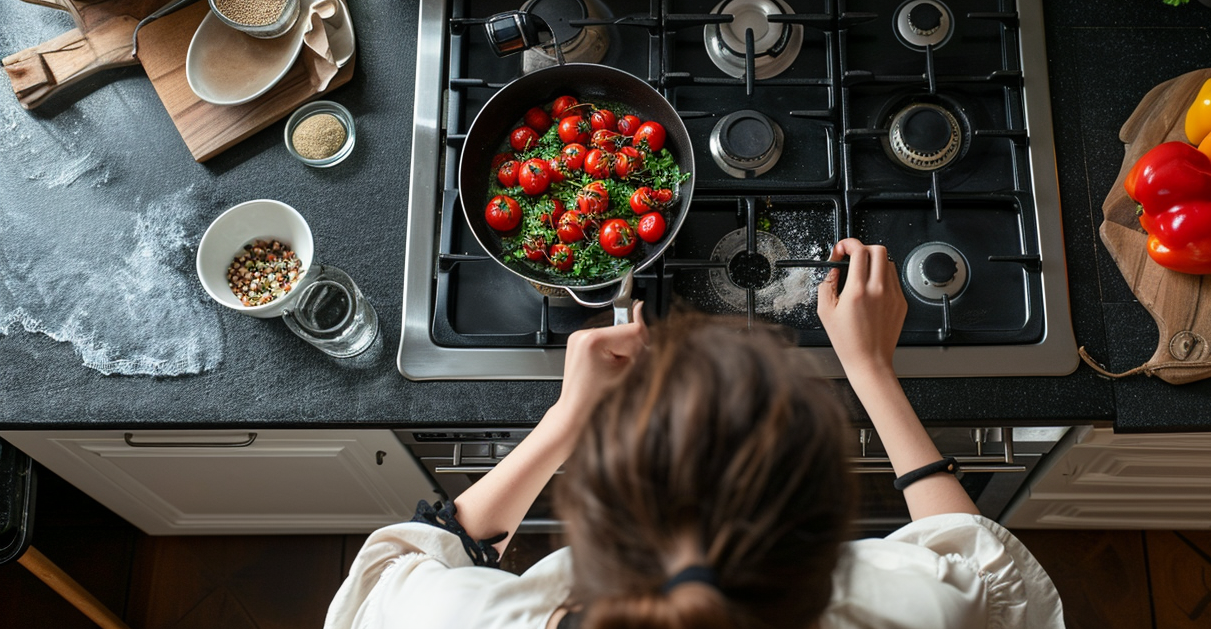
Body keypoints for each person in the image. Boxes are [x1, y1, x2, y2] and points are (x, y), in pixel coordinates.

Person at [325, 239, 1064, 629]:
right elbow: (969, 551)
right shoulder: (917, 615)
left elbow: (426, 554)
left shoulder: (451, 619)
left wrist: (564, 420)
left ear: (584, 526)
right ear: (833, 544)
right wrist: (870, 368)